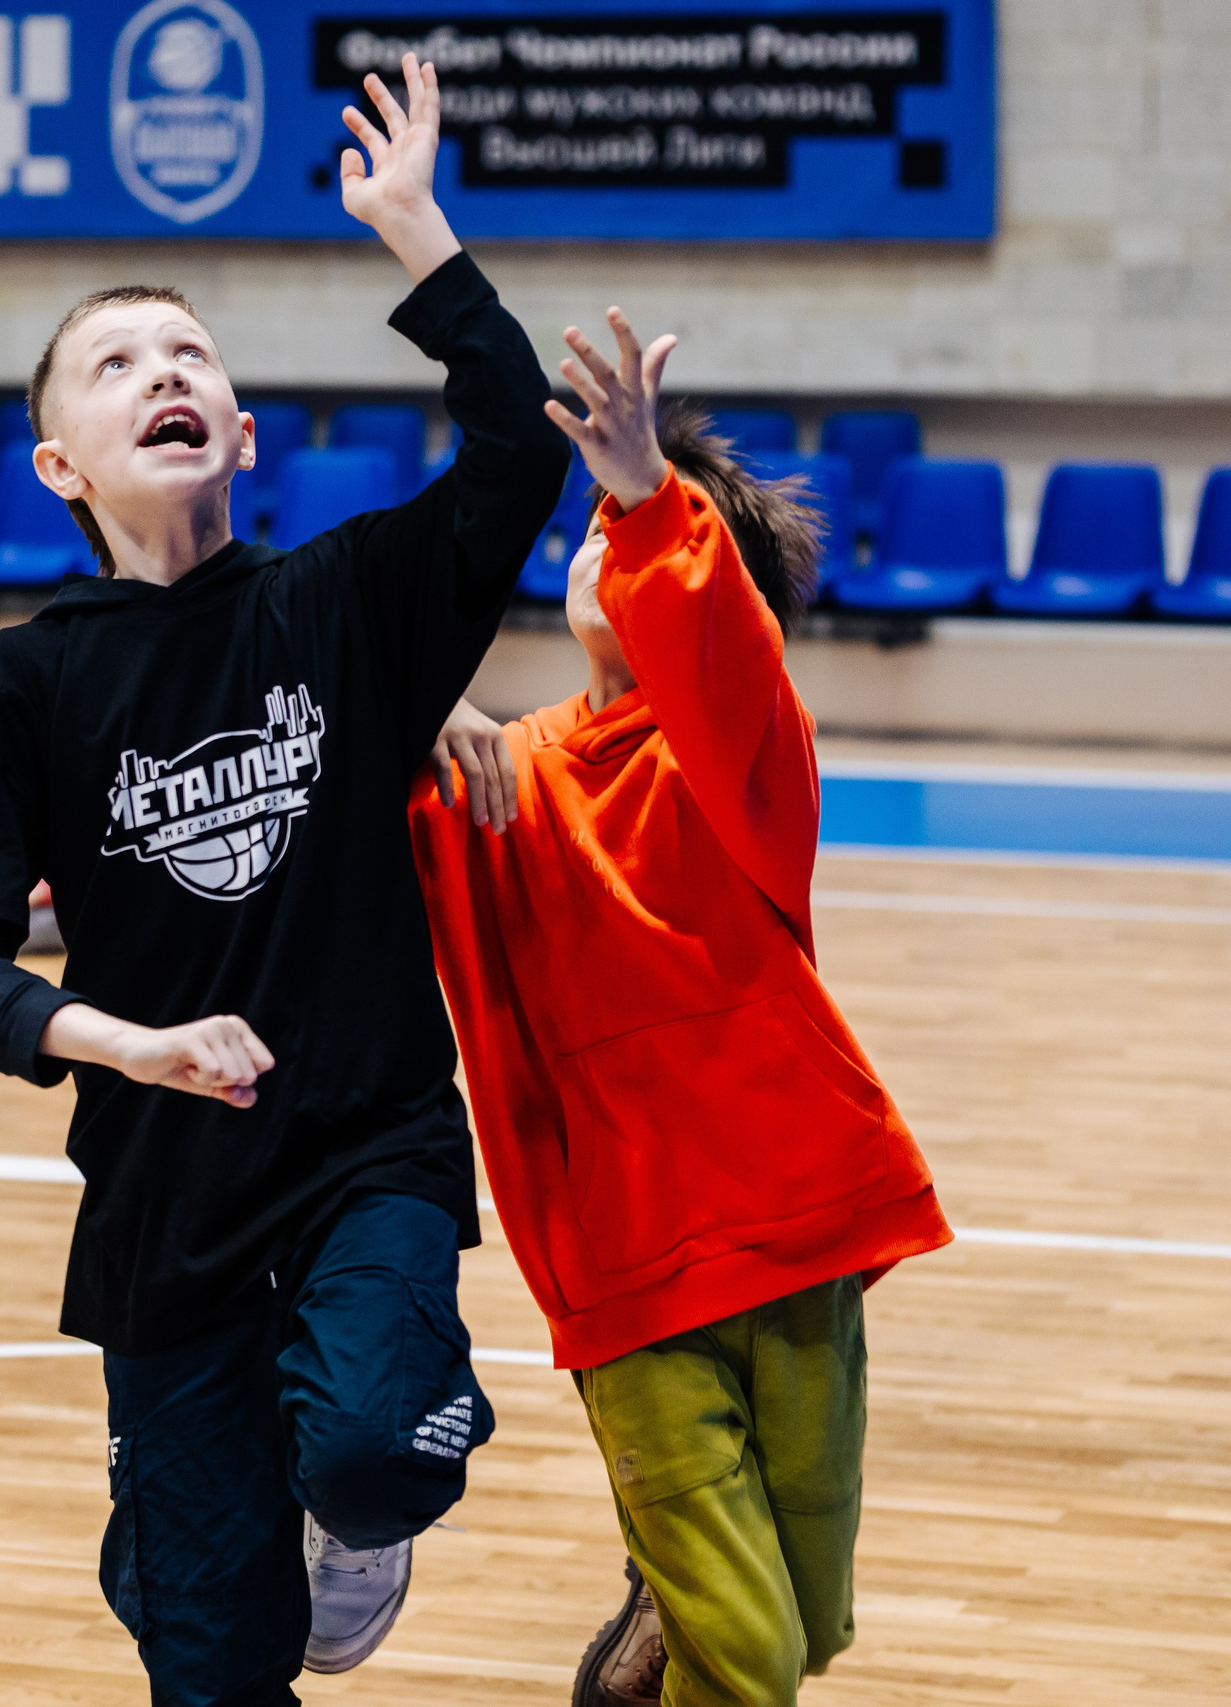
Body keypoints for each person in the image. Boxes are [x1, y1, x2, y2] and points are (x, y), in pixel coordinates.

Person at [0, 56, 569, 1704]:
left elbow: (511, 463)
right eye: (114, 364)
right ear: (60, 464)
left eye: (190, 354)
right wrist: (119, 1040)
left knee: (381, 1446)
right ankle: (191, 1544)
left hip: (363, 1139)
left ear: (242, 431)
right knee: (209, 1654)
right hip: (164, 1182)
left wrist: (417, 235)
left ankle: (350, 1522)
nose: (160, 370)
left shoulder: (343, 607)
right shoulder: (25, 686)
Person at [410, 319, 953, 1707]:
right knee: (754, 1650)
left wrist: (658, 492)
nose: (607, 538)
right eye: (595, 524)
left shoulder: (748, 755)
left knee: (807, 1616)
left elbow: (714, 640)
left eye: (636, 527)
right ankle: (679, 1602)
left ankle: (663, 1593)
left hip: (799, 1224)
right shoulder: (494, 775)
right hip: (625, 1257)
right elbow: (316, 844)